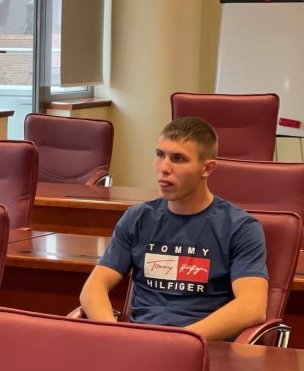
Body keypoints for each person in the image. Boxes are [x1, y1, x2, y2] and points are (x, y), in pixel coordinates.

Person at [79, 117, 269, 341]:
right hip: (139, 343)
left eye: (178, 159)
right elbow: (93, 288)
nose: (164, 168)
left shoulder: (240, 227)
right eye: (160, 155)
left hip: (201, 345)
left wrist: (180, 341)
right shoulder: (138, 218)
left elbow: (252, 306)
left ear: (207, 168)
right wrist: (113, 334)